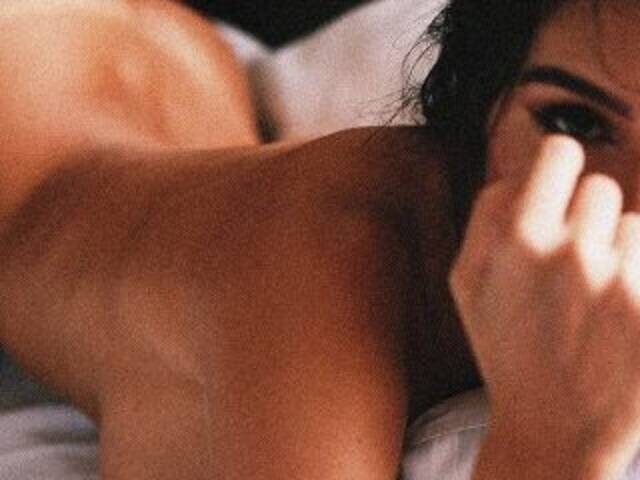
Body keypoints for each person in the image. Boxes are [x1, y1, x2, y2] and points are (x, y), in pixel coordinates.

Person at [1, 0, 639, 479]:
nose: (629, 206)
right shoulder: (331, 273)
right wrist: (549, 440)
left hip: (166, 65)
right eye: (573, 121)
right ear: (482, 104)